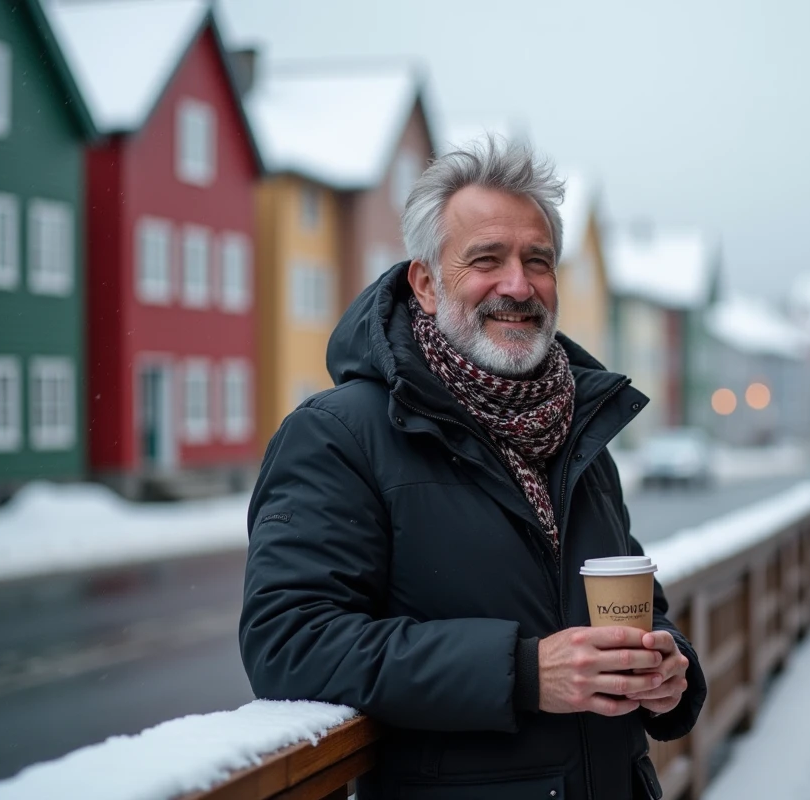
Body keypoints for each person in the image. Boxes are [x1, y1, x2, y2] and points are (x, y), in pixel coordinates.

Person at [239, 137, 706, 799]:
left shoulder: (579, 429)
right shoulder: (339, 436)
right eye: (487, 259)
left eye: (537, 261)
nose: (518, 284)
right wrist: (520, 672)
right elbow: (290, 642)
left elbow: (637, 606)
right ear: (426, 283)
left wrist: (669, 669)